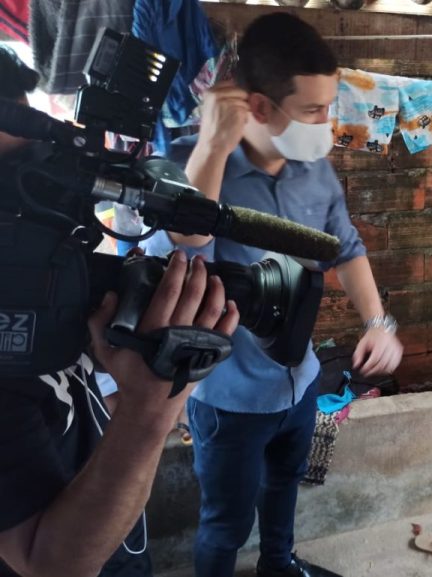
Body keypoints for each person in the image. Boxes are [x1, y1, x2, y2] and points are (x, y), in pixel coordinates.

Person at [142, 12, 404, 577]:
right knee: (225, 523)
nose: (326, 123)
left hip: (300, 380)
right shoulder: (200, 163)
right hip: (229, 397)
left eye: (329, 107)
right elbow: (187, 243)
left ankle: (279, 566)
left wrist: (379, 323)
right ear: (259, 107)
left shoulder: (316, 170)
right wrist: (212, 147)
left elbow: (347, 248)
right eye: (313, 110)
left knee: (284, 489)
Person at [0, 43, 240, 576]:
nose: (28, 200)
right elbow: (51, 564)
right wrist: (150, 410)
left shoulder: (39, 278)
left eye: (33, 171)